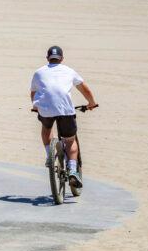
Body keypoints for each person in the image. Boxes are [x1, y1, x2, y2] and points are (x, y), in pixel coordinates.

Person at [30, 46, 98, 188]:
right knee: (70, 141)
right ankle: (73, 170)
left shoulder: (39, 72)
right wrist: (91, 103)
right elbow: (85, 89)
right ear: (62, 58)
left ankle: (49, 154)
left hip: (46, 109)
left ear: (47, 58)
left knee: (46, 128)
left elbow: (33, 93)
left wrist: (36, 106)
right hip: (66, 110)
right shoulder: (69, 71)